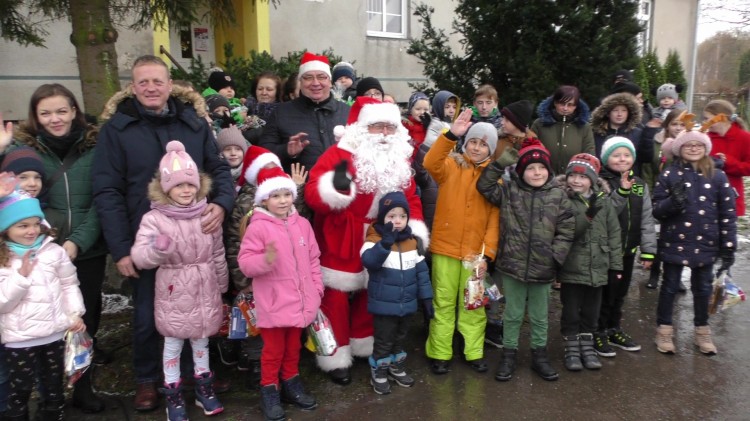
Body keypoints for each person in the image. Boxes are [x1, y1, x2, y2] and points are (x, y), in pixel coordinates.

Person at [92, 54, 235, 411]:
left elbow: (217, 168)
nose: (151, 88)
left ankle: (193, 374)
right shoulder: (118, 128)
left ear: (170, 85)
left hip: (193, 236)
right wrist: (122, 248)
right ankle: (147, 379)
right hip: (149, 239)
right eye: (143, 82)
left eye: (158, 81)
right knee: (145, 316)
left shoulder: (192, 122)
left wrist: (222, 203)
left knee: (195, 311)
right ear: (133, 87)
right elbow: (107, 190)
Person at [304, 97, 428, 385]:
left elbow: (410, 199)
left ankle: (363, 342)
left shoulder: (400, 160)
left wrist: (416, 230)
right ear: (362, 129)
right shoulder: (340, 154)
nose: (384, 133)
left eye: (390, 127)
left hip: (383, 236)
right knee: (335, 295)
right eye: (377, 127)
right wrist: (335, 191)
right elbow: (313, 192)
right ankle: (334, 355)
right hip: (341, 234)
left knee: (373, 292)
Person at [3, 83, 108, 413]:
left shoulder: (95, 146)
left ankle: (82, 385)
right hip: (35, 251)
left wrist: (77, 241)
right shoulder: (22, 150)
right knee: (33, 315)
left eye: (62, 110)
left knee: (83, 318)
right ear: (35, 116)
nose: (55, 119)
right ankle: (36, 388)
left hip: (85, 249)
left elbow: (102, 198)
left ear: (74, 111)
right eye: (45, 113)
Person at [130, 141, 229, 419]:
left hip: (205, 286)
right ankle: (173, 395)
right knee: (173, 345)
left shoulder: (208, 213)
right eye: (178, 185)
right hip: (173, 290)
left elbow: (218, 252)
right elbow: (140, 256)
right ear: (165, 188)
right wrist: (157, 250)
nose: (186, 190)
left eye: (190, 184)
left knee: (201, 342)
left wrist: (221, 285)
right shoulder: (154, 219)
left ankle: (203, 389)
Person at [476, 137, 575, 382]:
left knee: (540, 315)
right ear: (521, 171)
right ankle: (509, 354)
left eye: (541, 167)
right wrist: (500, 164)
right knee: (513, 314)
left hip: (544, 267)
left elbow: (566, 228)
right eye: (531, 167)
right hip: (513, 265)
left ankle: (539, 355)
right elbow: (484, 187)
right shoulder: (510, 191)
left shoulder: (558, 195)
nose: (537, 172)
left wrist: (556, 257)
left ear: (548, 170)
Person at [238, 165, 322, 421]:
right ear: (264, 198)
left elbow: (314, 259)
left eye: (286, 194)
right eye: (276, 196)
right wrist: (266, 259)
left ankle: (291, 382)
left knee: (293, 347)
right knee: (273, 350)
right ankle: (269, 390)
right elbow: (245, 263)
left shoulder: (303, 224)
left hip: (302, 300)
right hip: (274, 303)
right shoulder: (258, 227)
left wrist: (317, 290)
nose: (282, 200)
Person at [224, 146, 308, 391]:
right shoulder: (246, 208)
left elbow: (299, 225)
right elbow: (235, 246)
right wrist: (242, 280)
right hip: (256, 281)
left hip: (287, 283)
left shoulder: (287, 203)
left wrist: (298, 190)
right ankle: (258, 369)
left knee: (284, 333)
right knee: (257, 327)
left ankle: (288, 375)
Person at [423, 112, 500, 376]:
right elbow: (430, 161)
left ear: (491, 148)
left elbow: (494, 219)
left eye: (483, 144)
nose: (477, 148)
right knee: (443, 303)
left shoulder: (494, 178)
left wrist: (487, 253)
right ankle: (440, 352)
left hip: (474, 256)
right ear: (465, 143)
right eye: (473, 142)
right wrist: (451, 135)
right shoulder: (451, 166)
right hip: (445, 249)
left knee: (473, 305)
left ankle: (473, 351)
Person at [0, 191, 86, 421]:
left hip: (54, 333)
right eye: (22, 226)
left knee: (53, 383)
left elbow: (69, 284)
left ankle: (53, 413)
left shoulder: (54, 252)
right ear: (6, 228)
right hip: (19, 338)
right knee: (20, 388)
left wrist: (74, 313)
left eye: (36, 224)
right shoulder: (4, 259)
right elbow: (2, 303)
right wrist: (20, 277)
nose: (31, 231)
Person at [652, 129, 736, 355]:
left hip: (706, 242)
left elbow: (727, 214)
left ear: (706, 148)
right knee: (669, 288)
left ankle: (702, 331)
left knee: (703, 289)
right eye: (688, 145)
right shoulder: (669, 174)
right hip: (674, 241)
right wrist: (673, 202)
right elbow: (657, 211)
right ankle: (664, 330)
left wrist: (728, 247)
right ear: (679, 149)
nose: (693, 148)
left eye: (698, 145)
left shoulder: (718, 176)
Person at [361, 191, 433, 395]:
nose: (397, 221)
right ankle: (379, 370)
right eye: (391, 216)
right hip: (384, 304)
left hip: (407, 303)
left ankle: (396, 366)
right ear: (383, 218)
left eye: (402, 216)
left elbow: (422, 272)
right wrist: (385, 243)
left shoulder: (412, 242)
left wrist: (426, 298)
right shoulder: (374, 239)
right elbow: (369, 262)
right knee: (384, 339)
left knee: (401, 337)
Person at [556, 154, 622, 372]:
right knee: (571, 310)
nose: (576, 181)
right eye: (572, 176)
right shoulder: (563, 200)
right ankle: (571, 347)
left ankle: (587, 346)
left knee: (591, 312)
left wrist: (615, 266)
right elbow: (567, 232)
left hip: (598, 267)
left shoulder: (605, 202)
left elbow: (614, 234)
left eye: (582, 177)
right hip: (572, 266)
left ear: (592, 180)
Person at [594, 136, 656, 357]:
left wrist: (648, 250)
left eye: (627, 155)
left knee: (620, 293)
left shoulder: (639, 184)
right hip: (606, 251)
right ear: (606, 158)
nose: (622, 159)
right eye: (616, 155)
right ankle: (598, 331)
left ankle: (613, 328)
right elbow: (602, 213)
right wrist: (621, 191)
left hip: (628, 251)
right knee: (605, 293)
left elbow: (647, 219)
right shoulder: (600, 182)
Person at [258, 53, 350, 173]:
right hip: (300, 189)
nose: (315, 83)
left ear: (330, 81)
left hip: (342, 187)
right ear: (300, 82)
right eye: (308, 77)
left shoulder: (347, 112)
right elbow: (263, 154)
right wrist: (286, 151)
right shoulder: (281, 112)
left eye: (321, 77)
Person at [644, 111, 693, 290]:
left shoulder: (690, 143)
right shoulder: (657, 143)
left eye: (681, 124)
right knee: (658, 237)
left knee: (678, 238)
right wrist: (649, 195)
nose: (678, 128)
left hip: (682, 198)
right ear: (667, 125)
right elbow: (648, 170)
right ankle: (655, 273)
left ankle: (676, 275)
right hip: (660, 196)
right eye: (674, 124)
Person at [531, 85, 595, 175]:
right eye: (562, 104)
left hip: (574, 178)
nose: (565, 108)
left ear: (576, 106)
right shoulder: (539, 124)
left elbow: (589, 154)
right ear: (555, 103)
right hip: (544, 177)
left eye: (570, 105)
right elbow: (531, 150)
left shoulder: (584, 127)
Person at [590, 92, 658, 176]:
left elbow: (646, 158)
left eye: (623, 110)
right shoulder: (598, 134)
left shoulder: (637, 133)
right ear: (608, 113)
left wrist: (648, 135)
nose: (619, 114)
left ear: (629, 113)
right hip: (604, 180)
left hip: (631, 179)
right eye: (615, 110)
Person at [702, 99, 750, 217]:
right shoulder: (705, 138)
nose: (705, 122)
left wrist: (728, 162)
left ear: (721, 118)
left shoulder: (744, 138)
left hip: (731, 195)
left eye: (708, 118)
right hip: (707, 195)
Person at [243, 71, 283, 145]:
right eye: (260, 89)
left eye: (269, 89)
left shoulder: (282, 112)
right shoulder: (243, 110)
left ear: (277, 92)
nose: (264, 93)